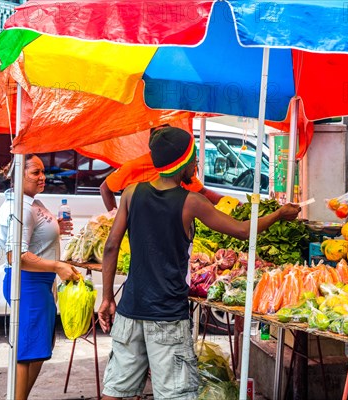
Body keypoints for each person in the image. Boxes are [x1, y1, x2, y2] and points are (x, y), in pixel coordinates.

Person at [98, 127, 300, 399]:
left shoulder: (132, 193)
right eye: (194, 158)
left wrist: (107, 297)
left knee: (116, 390)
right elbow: (242, 230)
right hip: (167, 315)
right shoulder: (191, 202)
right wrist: (278, 214)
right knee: (175, 394)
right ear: (182, 163)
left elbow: (111, 246)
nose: (197, 163)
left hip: (130, 309)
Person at [0, 154, 80, 400]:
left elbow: (34, 236)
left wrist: (56, 229)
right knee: (27, 352)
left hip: (38, 284)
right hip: (28, 284)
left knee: (39, 348)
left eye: (43, 171)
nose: (42, 177)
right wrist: (57, 266)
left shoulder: (31, 201)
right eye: (35, 172)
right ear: (18, 174)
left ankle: (18, 396)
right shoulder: (17, 207)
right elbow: (17, 255)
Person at [99, 125, 224, 211]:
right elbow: (105, 188)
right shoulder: (134, 169)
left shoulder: (180, 171)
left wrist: (231, 202)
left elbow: (201, 192)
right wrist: (112, 215)